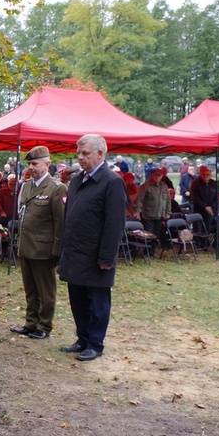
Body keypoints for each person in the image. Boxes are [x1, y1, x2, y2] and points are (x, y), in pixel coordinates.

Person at [59, 134, 126, 362]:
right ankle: (83, 339)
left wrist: (107, 257)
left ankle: (95, 344)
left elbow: (115, 224)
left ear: (100, 154)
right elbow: (69, 217)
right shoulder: (78, 180)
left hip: (96, 256)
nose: (80, 158)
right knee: (78, 301)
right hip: (75, 253)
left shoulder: (112, 182)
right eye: (79, 153)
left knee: (98, 303)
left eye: (85, 153)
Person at [9, 146, 67, 340]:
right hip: (26, 246)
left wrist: (57, 251)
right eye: (29, 164)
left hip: (44, 249)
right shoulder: (26, 186)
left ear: (47, 164)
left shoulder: (57, 189)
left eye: (35, 164)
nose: (31, 167)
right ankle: (30, 322)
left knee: (46, 291)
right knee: (30, 289)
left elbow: (60, 223)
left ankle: (44, 325)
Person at [133, 168, 171, 254]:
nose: (157, 177)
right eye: (155, 175)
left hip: (160, 215)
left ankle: (152, 250)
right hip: (148, 214)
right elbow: (139, 199)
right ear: (152, 175)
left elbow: (168, 200)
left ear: (162, 176)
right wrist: (137, 211)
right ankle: (147, 251)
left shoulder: (164, 186)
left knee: (156, 234)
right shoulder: (145, 186)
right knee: (149, 234)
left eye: (159, 175)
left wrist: (168, 212)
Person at [189, 165, 218, 234]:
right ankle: (198, 244)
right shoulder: (195, 183)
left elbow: (216, 198)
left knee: (207, 228)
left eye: (208, 174)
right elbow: (194, 198)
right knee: (198, 229)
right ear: (200, 175)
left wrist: (211, 207)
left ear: (210, 175)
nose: (206, 176)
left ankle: (206, 243)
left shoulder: (214, 183)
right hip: (199, 209)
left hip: (210, 210)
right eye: (204, 174)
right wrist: (205, 206)